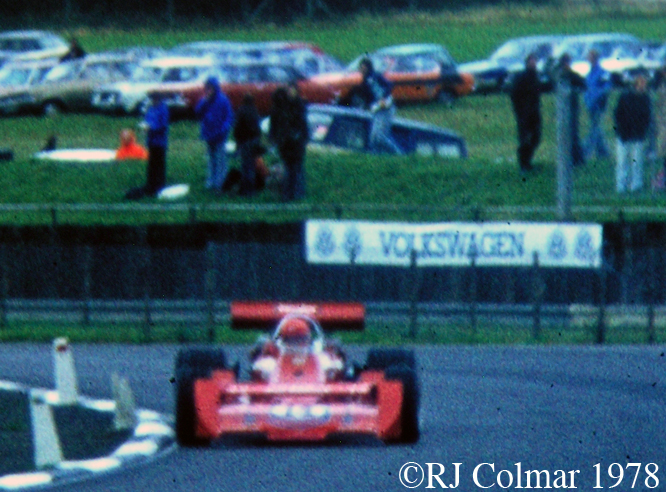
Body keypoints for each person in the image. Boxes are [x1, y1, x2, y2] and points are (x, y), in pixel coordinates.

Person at [125, 92, 169, 199]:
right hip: (151, 141)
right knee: (151, 165)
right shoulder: (151, 109)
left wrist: (151, 127)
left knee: (159, 165)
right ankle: (151, 184)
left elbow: (163, 125)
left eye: (154, 98)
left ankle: (159, 186)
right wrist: (144, 126)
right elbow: (147, 120)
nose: (153, 100)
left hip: (160, 142)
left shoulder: (163, 109)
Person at [269, 84, 309, 201]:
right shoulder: (285, 108)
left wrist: (299, 137)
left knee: (295, 168)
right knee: (289, 168)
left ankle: (296, 193)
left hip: (295, 143)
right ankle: (289, 193)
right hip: (287, 143)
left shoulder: (298, 106)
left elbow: (302, 126)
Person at [613, 73, 651, 194]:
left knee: (636, 161)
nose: (643, 85)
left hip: (638, 134)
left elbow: (647, 117)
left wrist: (643, 130)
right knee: (622, 161)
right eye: (641, 82)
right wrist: (621, 129)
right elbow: (618, 114)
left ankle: (636, 185)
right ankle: (621, 185)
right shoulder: (625, 97)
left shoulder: (645, 99)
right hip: (624, 134)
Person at [195, 76, 234, 193]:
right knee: (211, 159)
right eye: (207, 88)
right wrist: (204, 102)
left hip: (220, 135)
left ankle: (220, 183)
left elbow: (229, 117)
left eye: (211, 88)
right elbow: (198, 113)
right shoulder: (205, 100)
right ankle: (211, 182)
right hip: (209, 134)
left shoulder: (223, 100)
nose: (209, 90)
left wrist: (224, 129)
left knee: (220, 159)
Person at [356, 57, 402, 154]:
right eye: (361, 68)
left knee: (380, 136)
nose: (362, 70)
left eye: (363, 67)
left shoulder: (376, 76)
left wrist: (384, 97)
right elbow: (366, 99)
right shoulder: (364, 83)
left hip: (386, 108)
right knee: (374, 138)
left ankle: (398, 153)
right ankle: (377, 156)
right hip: (377, 109)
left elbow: (389, 85)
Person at [510, 53, 542, 173]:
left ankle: (528, 162)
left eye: (535, 61)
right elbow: (514, 94)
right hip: (524, 113)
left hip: (535, 111)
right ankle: (523, 164)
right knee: (524, 139)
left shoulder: (535, 76)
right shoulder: (521, 77)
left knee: (536, 137)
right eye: (532, 61)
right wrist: (520, 110)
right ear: (527, 62)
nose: (534, 63)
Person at [556, 53, 586, 167]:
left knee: (573, 133)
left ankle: (577, 159)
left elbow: (583, 85)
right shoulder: (561, 75)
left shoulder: (572, 75)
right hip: (564, 109)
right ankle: (572, 158)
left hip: (572, 108)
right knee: (568, 134)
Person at [584, 49, 612, 161]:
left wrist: (596, 97)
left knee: (594, 129)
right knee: (596, 128)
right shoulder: (589, 74)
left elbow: (606, 87)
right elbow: (586, 89)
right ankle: (603, 152)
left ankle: (587, 151)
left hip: (598, 104)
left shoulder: (602, 72)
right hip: (590, 105)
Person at [233, 93, 262, 196]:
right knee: (252, 166)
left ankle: (246, 190)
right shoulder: (255, 111)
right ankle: (252, 189)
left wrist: (237, 142)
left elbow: (237, 128)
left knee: (245, 166)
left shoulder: (241, 111)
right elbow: (258, 129)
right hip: (254, 141)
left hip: (245, 141)